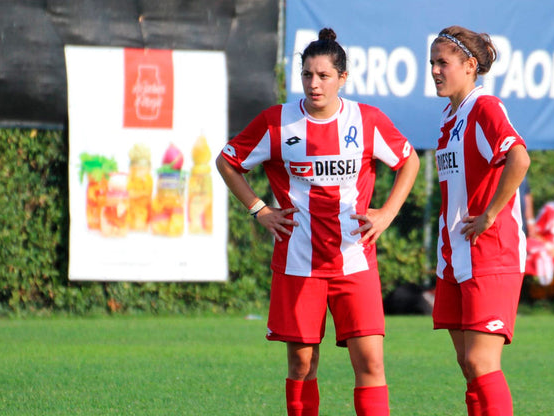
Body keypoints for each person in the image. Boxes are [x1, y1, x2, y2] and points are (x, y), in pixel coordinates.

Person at [216, 28, 420, 416]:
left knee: (371, 364)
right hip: (298, 263)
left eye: (324, 75)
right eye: (307, 74)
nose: (314, 83)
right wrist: (260, 210)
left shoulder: (367, 120)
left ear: (342, 78)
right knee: (302, 365)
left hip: (355, 260)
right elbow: (227, 162)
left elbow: (409, 161)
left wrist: (388, 212)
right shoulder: (277, 122)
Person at [429, 25, 530, 416]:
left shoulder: (484, 107)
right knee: (468, 366)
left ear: (470, 66)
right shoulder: (448, 117)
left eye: (444, 63)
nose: (436, 70)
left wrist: (490, 214)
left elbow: (518, 158)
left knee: (481, 364)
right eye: (432, 63)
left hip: (490, 253)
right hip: (454, 256)